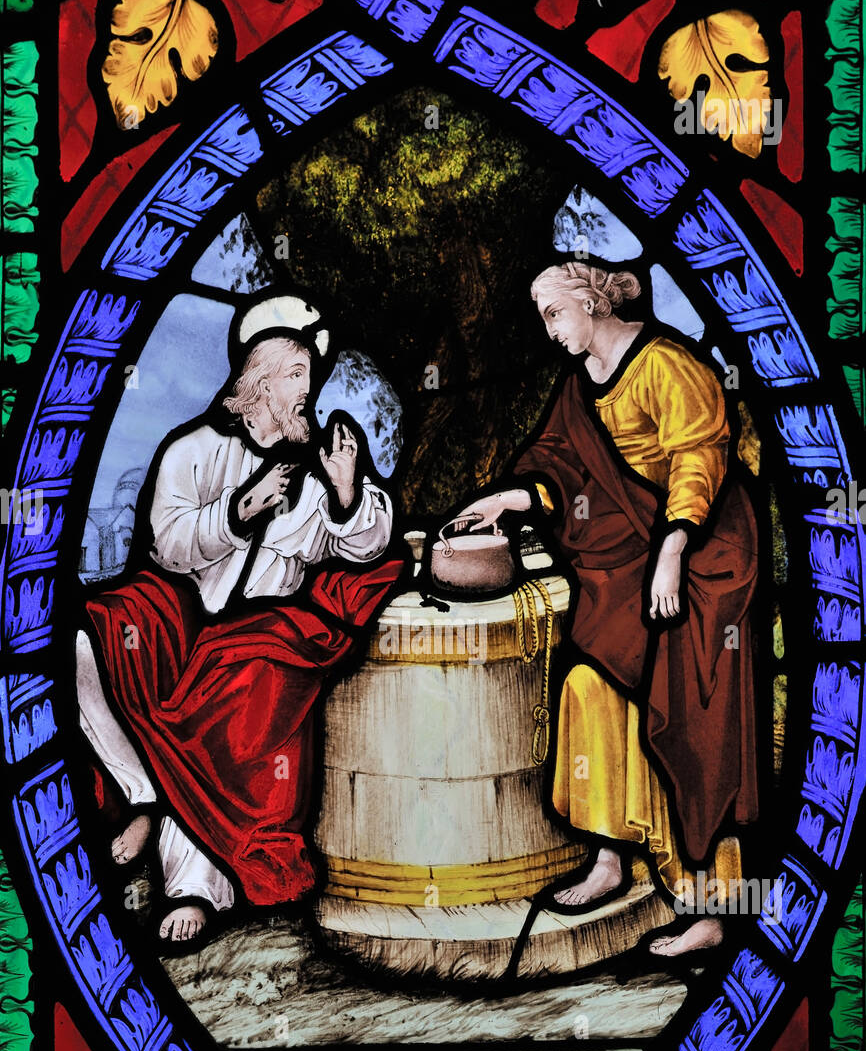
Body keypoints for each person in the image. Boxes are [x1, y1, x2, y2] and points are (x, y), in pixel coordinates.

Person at [454, 260, 759, 956]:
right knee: (589, 685)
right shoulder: (579, 385)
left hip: (704, 556)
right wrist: (511, 499)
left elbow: (699, 458)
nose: (549, 328)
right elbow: (562, 467)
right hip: (630, 558)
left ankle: (712, 904)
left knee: (692, 722)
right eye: (543, 317)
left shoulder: (665, 365)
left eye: (555, 312)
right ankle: (611, 859)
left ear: (592, 303)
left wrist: (675, 551)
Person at [76, 312, 401, 946]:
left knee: (240, 681)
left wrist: (343, 494)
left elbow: (368, 544)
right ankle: (141, 791)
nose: (311, 386)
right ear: (260, 382)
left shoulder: (313, 470)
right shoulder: (191, 450)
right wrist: (240, 509)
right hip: (183, 613)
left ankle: (197, 882)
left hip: (260, 633)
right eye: (300, 373)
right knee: (86, 636)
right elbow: (167, 548)